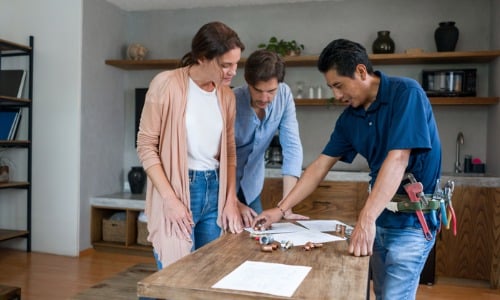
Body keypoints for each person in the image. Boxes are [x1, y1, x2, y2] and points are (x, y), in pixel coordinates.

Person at [252, 39, 442, 300]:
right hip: (381, 219)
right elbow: (319, 167)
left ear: (361, 72)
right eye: (331, 88)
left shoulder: (406, 93)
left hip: (411, 223)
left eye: (339, 85)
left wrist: (365, 219)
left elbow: (398, 159)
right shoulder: (349, 119)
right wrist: (281, 209)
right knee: (381, 292)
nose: (337, 95)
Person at [136, 21, 245, 270]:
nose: (232, 72)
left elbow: (229, 151)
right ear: (202, 58)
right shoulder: (165, 84)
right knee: (175, 276)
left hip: (215, 189)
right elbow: (145, 145)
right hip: (179, 189)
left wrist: (230, 199)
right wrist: (170, 200)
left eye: (236, 64)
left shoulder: (226, 96)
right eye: (225, 65)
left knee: (209, 273)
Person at [232, 50, 306, 227]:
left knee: (258, 238)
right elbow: (217, 159)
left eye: (271, 91)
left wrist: (286, 206)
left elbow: (292, 148)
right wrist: (233, 202)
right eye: (258, 90)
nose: (265, 98)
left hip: (251, 186)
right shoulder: (231, 100)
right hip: (221, 188)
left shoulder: (284, 95)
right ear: (247, 81)